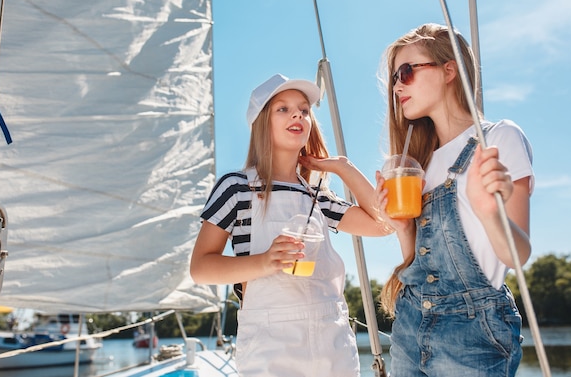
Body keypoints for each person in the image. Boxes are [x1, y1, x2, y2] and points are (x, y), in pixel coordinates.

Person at [190, 73, 391, 377]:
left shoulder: (317, 197)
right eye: (282, 108)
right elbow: (201, 268)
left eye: (305, 110)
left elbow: (382, 223)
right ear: (261, 124)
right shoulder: (236, 187)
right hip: (270, 348)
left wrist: (342, 167)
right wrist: (265, 261)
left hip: (331, 342)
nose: (297, 113)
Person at [375, 23, 534, 377]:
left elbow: (517, 255)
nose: (398, 85)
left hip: (474, 331)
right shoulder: (420, 164)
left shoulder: (497, 138)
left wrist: (489, 212)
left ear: (449, 70)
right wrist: (403, 229)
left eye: (406, 72)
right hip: (410, 323)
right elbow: (420, 269)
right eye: (394, 79)